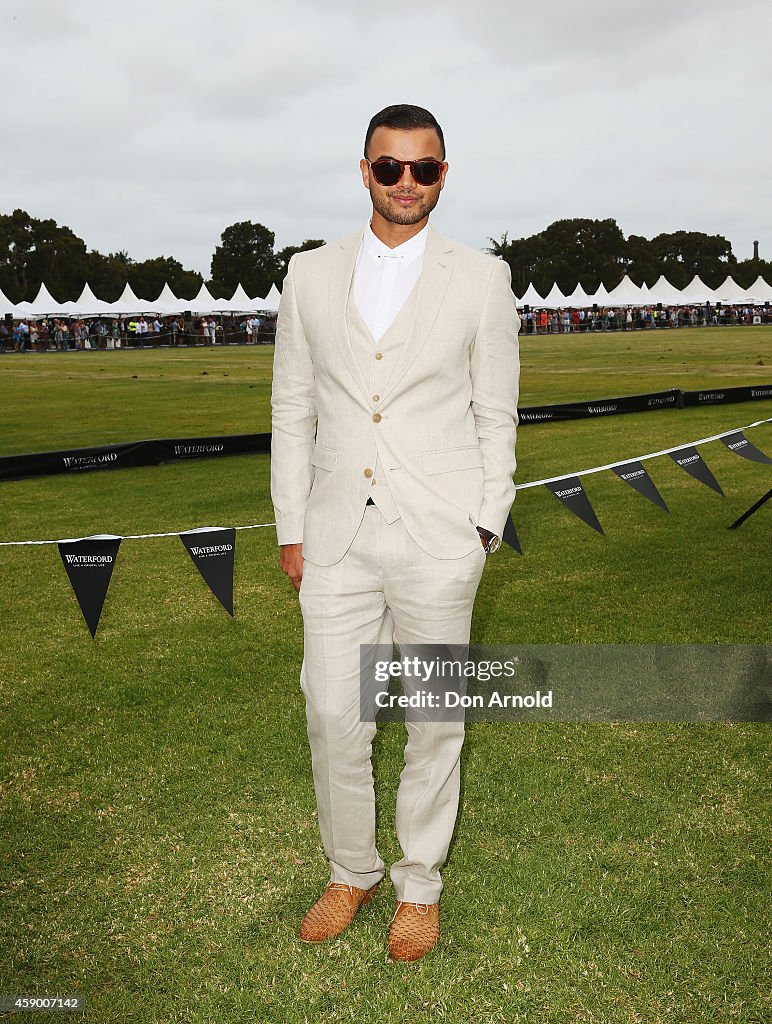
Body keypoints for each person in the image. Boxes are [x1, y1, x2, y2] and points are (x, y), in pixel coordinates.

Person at [270, 104, 520, 962]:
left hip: (440, 535)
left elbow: (497, 411)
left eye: (424, 169)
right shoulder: (307, 276)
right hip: (336, 534)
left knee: (433, 718)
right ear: (365, 170)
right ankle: (352, 869)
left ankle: (419, 883)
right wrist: (290, 526)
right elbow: (292, 410)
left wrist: (487, 519)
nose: (406, 183)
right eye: (390, 168)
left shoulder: (484, 279)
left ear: (444, 175)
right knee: (333, 711)